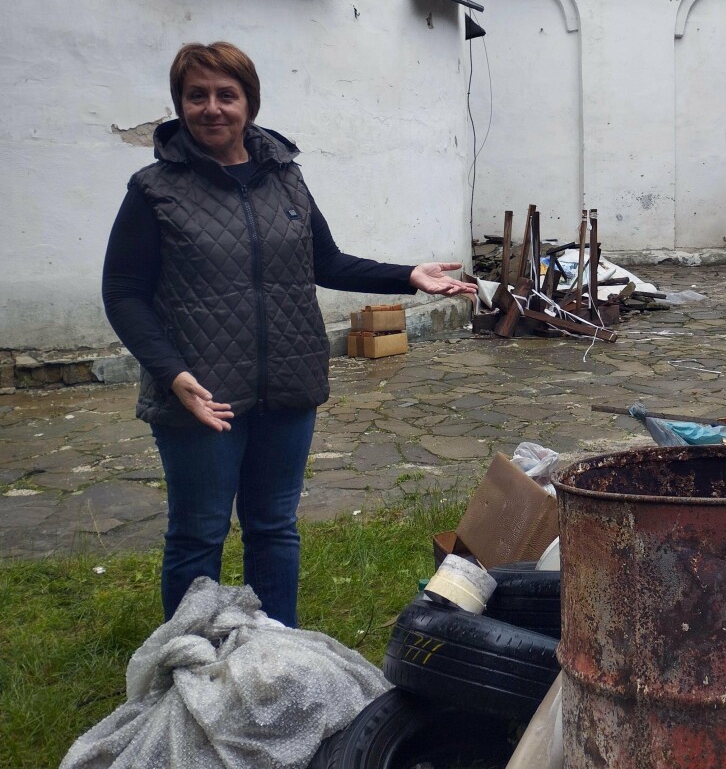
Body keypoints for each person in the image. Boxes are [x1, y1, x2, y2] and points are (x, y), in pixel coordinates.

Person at [102, 41, 476, 627]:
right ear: (178, 105)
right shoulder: (154, 190)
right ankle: (185, 661)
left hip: (288, 384)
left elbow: (324, 261)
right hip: (201, 394)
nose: (212, 108)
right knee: (199, 535)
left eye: (226, 95)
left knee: (273, 528)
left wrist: (408, 276)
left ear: (249, 102)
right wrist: (171, 375)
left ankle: (277, 654)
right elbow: (123, 293)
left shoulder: (285, 178)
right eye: (195, 96)